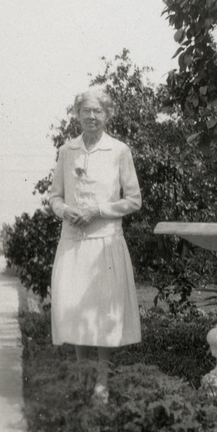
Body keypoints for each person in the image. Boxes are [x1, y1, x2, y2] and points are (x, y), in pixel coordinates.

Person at [48, 89, 142, 404]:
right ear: (77, 114)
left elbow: (134, 200)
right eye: (86, 111)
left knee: (103, 311)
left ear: (107, 115)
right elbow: (55, 196)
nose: (91, 116)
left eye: (97, 111)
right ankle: (82, 378)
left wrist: (99, 210)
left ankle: (101, 382)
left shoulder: (119, 151)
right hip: (74, 243)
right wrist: (65, 211)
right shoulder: (67, 151)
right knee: (74, 310)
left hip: (106, 243)